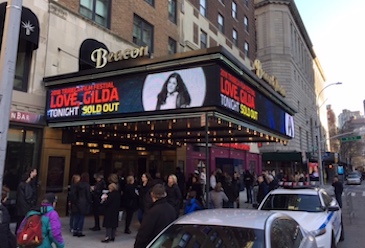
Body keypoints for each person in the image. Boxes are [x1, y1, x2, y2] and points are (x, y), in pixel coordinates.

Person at [134, 184, 176, 248]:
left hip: (154, 244)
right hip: (166, 243)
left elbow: (144, 233)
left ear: (152, 195)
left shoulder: (153, 211)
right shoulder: (171, 209)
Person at [15, 168, 38, 233]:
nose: (36, 174)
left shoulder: (23, 184)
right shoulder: (26, 185)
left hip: (21, 207)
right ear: (31, 173)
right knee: (23, 222)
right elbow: (28, 196)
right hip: (25, 208)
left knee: (20, 222)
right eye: (35, 172)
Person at [72, 172, 92, 237]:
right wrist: (90, 201)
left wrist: (75, 201)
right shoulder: (87, 185)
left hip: (77, 202)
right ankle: (79, 231)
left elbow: (74, 194)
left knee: (77, 217)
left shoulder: (77, 184)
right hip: (84, 202)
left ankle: (75, 230)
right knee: (81, 217)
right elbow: (88, 195)